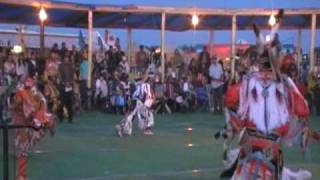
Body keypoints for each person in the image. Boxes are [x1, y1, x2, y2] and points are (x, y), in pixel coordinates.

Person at [220, 14, 314, 179]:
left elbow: (229, 99)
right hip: (271, 152)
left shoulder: (248, 82)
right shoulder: (285, 84)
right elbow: (303, 109)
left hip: (250, 149)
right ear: (277, 60)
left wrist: (236, 123)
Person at [12, 78, 55, 180]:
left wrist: (41, 114)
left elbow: (43, 102)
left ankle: (21, 175)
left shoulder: (35, 93)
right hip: (21, 119)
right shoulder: (21, 91)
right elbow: (17, 106)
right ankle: (21, 176)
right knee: (22, 148)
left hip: (32, 119)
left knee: (50, 120)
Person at [58, 55, 74, 123]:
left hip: (69, 86)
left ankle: (70, 118)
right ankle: (61, 117)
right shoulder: (60, 66)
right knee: (62, 103)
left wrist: (70, 82)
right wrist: (64, 83)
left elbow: (72, 75)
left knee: (70, 103)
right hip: (63, 87)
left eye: (67, 58)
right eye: (65, 58)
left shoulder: (71, 66)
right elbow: (59, 76)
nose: (66, 59)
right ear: (64, 59)